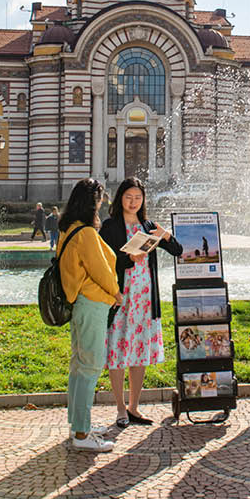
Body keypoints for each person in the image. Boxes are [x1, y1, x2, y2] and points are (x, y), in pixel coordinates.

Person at [99, 177, 183, 429]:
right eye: (128, 197)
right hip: (121, 297)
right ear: (119, 199)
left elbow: (177, 251)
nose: (133, 202)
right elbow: (105, 262)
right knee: (117, 351)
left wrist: (165, 235)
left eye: (137, 197)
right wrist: (128, 260)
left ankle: (134, 406)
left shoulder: (148, 225)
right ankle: (120, 408)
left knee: (139, 353)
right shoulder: (110, 226)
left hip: (145, 298)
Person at [57, 179, 123, 452]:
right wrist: (118, 293)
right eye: (100, 199)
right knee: (91, 366)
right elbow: (101, 271)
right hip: (92, 302)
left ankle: (78, 425)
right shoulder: (84, 233)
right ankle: (82, 435)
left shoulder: (68, 228)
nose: (102, 204)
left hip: (80, 303)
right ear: (91, 202)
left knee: (79, 365)